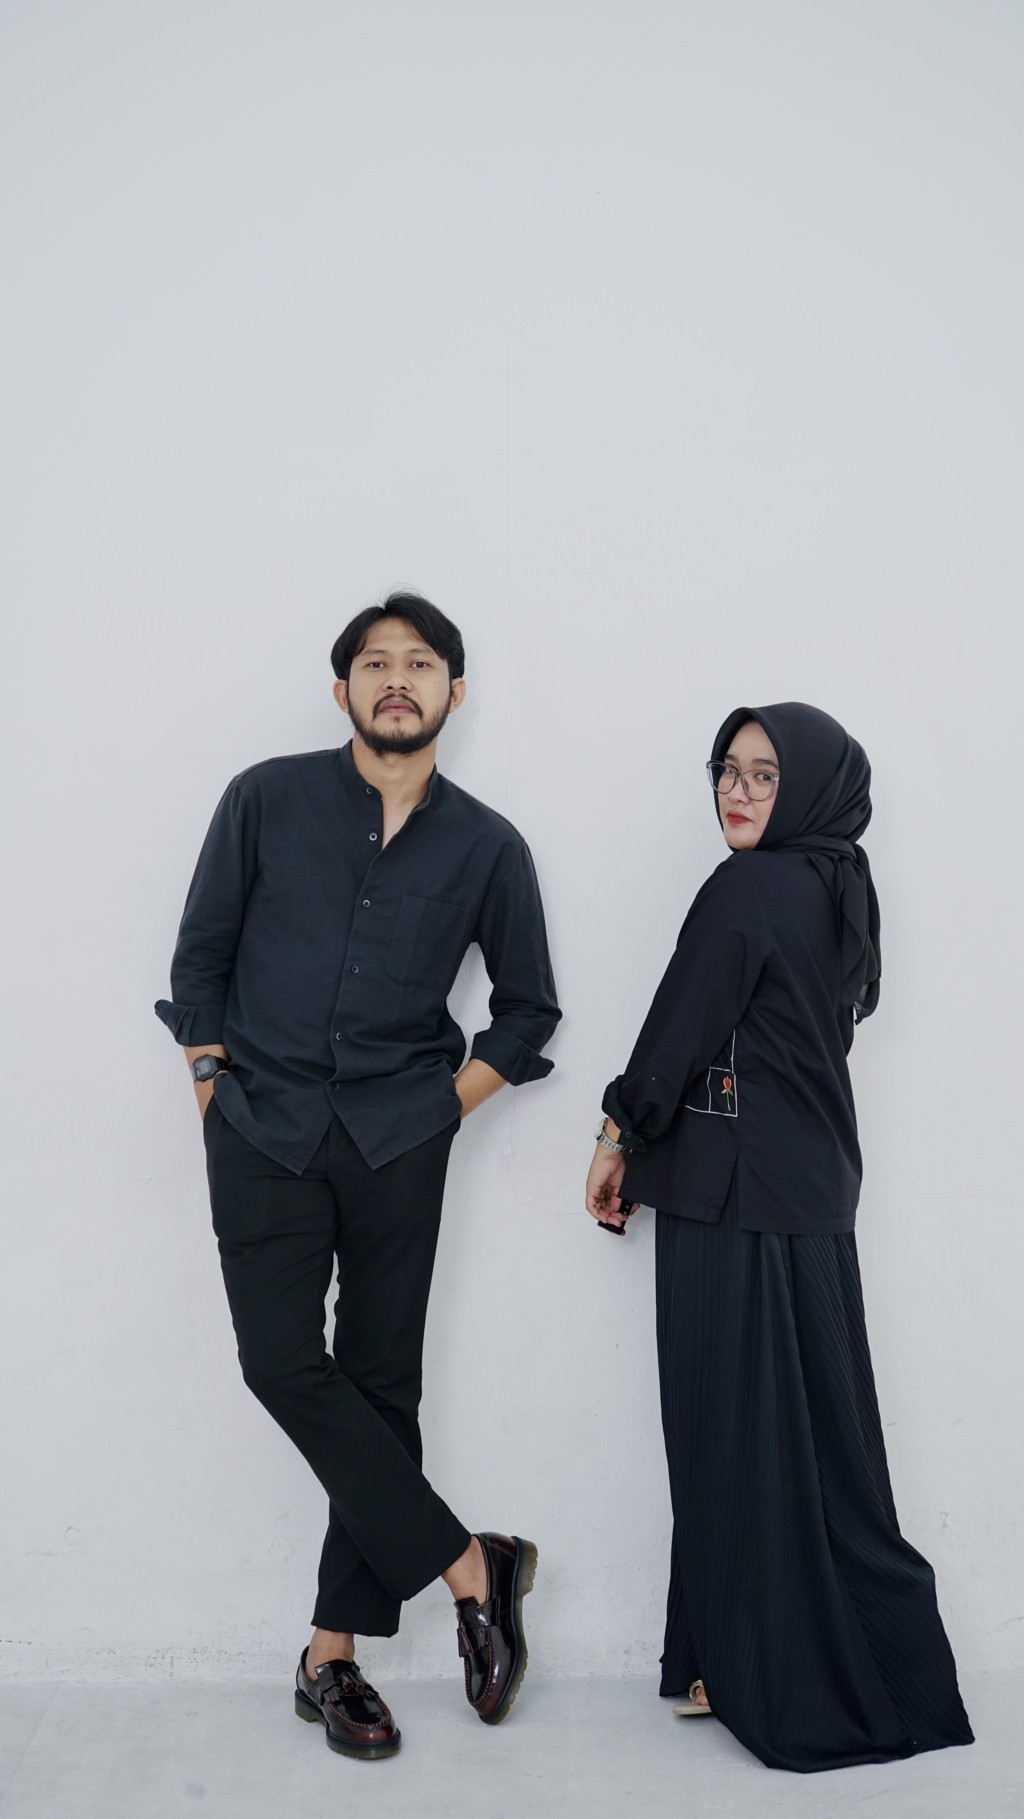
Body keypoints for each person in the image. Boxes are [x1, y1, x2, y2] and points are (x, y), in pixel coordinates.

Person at [155, 593, 558, 1760]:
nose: (396, 680)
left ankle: (330, 1658)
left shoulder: (489, 845)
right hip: (262, 1129)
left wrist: (441, 1108)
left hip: (398, 1143)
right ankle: (473, 1565)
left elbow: (527, 1010)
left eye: (419, 663)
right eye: (375, 663)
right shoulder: (264, 799)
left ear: (452, 691)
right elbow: (200, 960)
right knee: (280, 1362)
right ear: (342, 689)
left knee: (381, 1386)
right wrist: (212, 1093)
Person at [585, 702, 974, 1773]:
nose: (737, 790)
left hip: (734, 1196)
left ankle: (769, 1668)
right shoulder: (836, 885)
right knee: (812, 1441)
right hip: (808, 1192)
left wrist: (617, 1132)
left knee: (730, 1433)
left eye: (764, 773)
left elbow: (678, 1031)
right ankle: (734, 1657)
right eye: (728, 768)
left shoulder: (747, 888)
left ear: (806, 788)